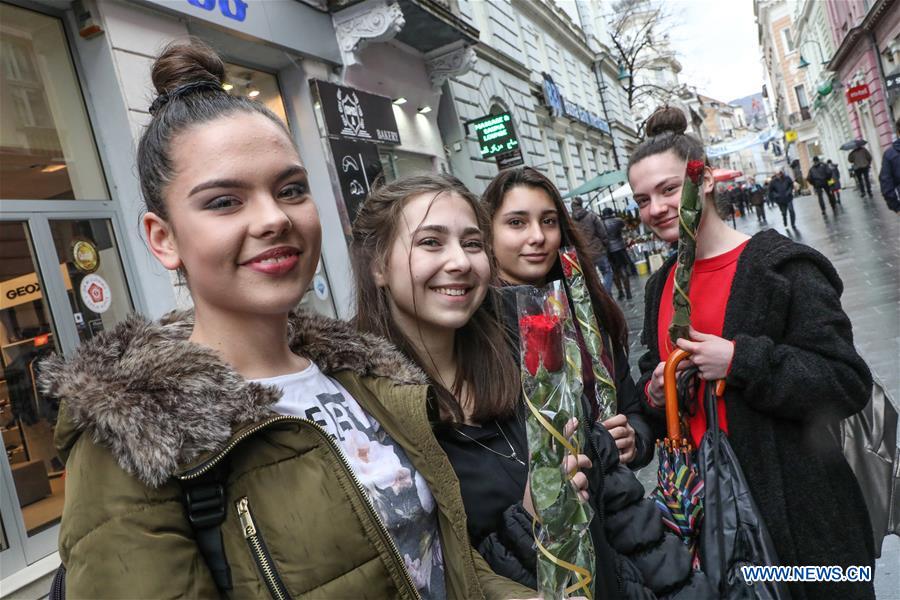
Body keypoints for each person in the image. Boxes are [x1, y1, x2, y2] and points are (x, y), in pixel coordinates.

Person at [37, 41, 532, 600]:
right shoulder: (135, 437)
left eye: (291, 190)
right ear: (163, 238)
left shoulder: (366, 375)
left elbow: (443, 560)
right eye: (224, 201)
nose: (274, 218)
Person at [351, 173, 710, 599]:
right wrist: (528, 523)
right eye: (431, 242)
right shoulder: (364, 418)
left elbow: (625, 513)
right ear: (378, 265)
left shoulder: (535, 358)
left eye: (471, 243)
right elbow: (429, 575)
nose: (460, 261)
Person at [629, 106, 875, 600]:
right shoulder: (660, 286)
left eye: (669, 189)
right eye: (642, 199)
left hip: (801, 527)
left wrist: (741, 361)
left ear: (706, 181)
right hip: (709, 523)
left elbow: (846, 382)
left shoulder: (781, 267)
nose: (655, 208)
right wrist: (656, 393)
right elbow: (656, 390)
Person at [570, 196, 614, 291]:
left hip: (583, 254)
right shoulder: (591, 216)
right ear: (581, 204)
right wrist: (606, 245)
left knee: (592, 278)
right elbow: (602, 233)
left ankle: (601, 294)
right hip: (597, 250)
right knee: (607, 272)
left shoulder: (570, 222)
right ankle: (605, 292)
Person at [599, 208, 633, 300]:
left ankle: (620, 292)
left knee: (614, 272)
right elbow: (626, 228)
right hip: (620, 247)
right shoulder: (618, 220)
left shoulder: (601, 223)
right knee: (623, 269)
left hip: (609, 250)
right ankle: (628, 293)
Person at [878, 117, 900, 213]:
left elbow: (886, 183)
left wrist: (896, 207)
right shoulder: (890, 155)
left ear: (898, 132)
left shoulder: (890, 154)